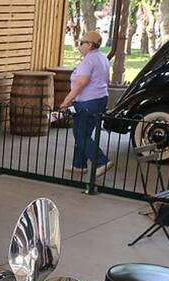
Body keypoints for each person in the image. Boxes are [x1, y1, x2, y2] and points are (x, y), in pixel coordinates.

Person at [60, 31, 113, 177]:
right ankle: (79, 164)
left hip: (87, 102)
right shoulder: (102, 58)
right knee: (83, 132)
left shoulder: (89, 61)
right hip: (100, 99)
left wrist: (66, 101)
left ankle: (101, 161)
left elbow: (81, 83)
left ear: (89, 45)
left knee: (80, 134)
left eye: (82, 43)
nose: (79, 46)